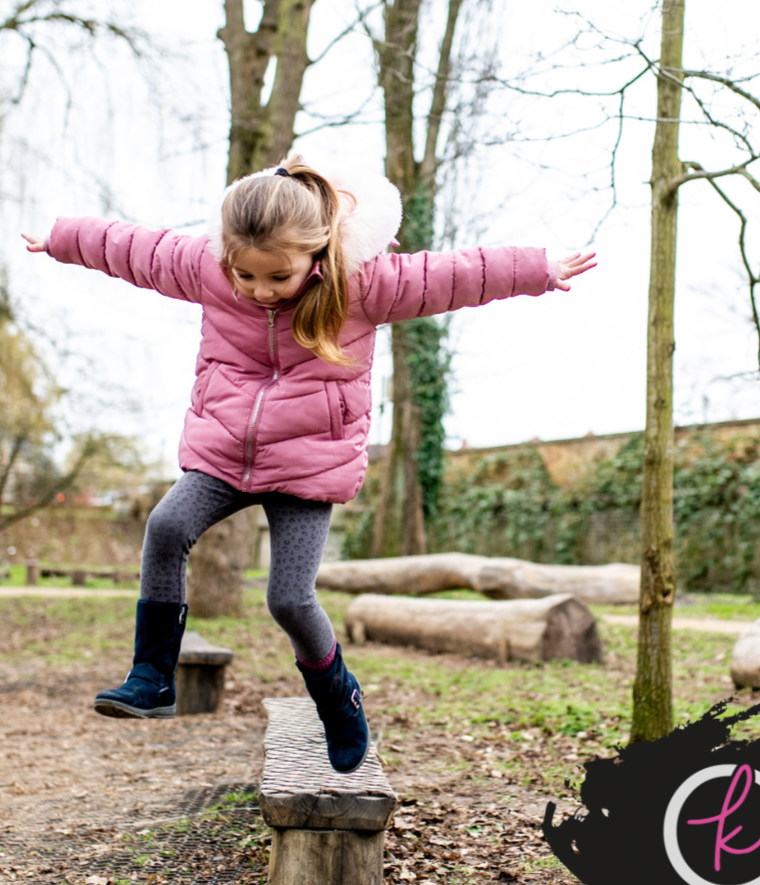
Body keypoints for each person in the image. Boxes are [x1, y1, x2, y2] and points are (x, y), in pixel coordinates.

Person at [22, 154, 596, 775]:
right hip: (223, 454)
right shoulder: (208, 268)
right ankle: (152, 677)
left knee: (290, 600)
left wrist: (540, 268)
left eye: (278, 277)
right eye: (246, 275)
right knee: (165, 528)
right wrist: (60, 238)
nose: (259, 290)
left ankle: (340, 704)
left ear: (317, 254)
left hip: (306, 465)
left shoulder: (363, 284)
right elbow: (135, 249)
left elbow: (453, 276)